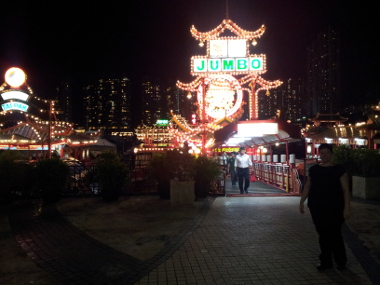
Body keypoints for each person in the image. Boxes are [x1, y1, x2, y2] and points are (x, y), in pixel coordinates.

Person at [299, 143, 351, 271]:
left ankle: (341, 261)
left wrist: (347, 208)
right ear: (319, 154)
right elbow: (307, 186)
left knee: (335, 234)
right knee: (323, 234)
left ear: (332, 154)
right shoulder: (314, 169)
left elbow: (345, 190)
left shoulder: (339, 169)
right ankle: (326, 261)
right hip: (317, 206)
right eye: (322, 153)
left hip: (335, 206)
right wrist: (302, 202)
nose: (325, 156)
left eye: (327, 153)